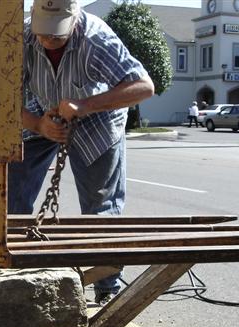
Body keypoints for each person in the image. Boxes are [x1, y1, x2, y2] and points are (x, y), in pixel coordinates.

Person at [8, 0, 155, 305]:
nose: (47, 40)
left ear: (74, 19)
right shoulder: (20, 37)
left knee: (100, 205)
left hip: (97, 118)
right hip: (44, 114)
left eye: (57, 35)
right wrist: (38, 125)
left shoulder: (96, 40)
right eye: (43, 33)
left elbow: (143, 87)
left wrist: (84, 106)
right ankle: (10, 271)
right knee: (11, 195)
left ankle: (106, 290)